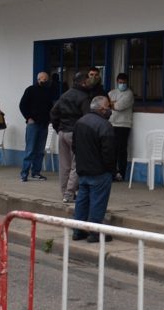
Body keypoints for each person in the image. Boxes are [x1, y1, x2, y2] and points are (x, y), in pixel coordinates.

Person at [70, 96, 117, 243]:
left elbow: (74, 146)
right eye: (108, 107)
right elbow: (109, 152)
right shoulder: (104, 125)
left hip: (83, 169)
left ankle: (78, 230)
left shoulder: (80, 122)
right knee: (98, 202)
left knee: (82, 201)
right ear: (102, 109)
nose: (110, 110)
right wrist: (111, 170)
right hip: (99, 171)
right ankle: (95, 232)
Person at [50, 72, 92, 203]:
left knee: (64, 165)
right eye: (88, 80)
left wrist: (58, 128)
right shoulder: (84, 97)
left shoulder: (64, 95)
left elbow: (53, 113)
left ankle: (64, 192)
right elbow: (87, 118)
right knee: (76, 165)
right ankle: (69, 194)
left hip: (62, 132)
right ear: (83, 82)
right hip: (75, 133)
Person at [19, 71, 55, 182]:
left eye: (46, 79)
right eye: (42, 79)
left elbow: (51, 107)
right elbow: (22, 105)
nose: (44, 81)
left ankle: (36, 173)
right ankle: (24, 173)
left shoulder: (48, 91)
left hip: (44, 124)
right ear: (38, 79)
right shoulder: (30, 90)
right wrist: (28, 118)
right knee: (30, 150)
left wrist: (50, 119)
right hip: (33, 124)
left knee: (40, 150)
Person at [108, 72, 134, 182]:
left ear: (127, 83)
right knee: (111, 150)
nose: (122, 84)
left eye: (124, 82)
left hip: (123, 125)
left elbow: (119, 106)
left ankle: (121, 173)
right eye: (120, 82)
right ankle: (112, 173)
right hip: (111, 123)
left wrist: (112, 104)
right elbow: (105, 104)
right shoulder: (112, 92)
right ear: (117, 82)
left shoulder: (129, 94)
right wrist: (111, 103)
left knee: (121, 150)